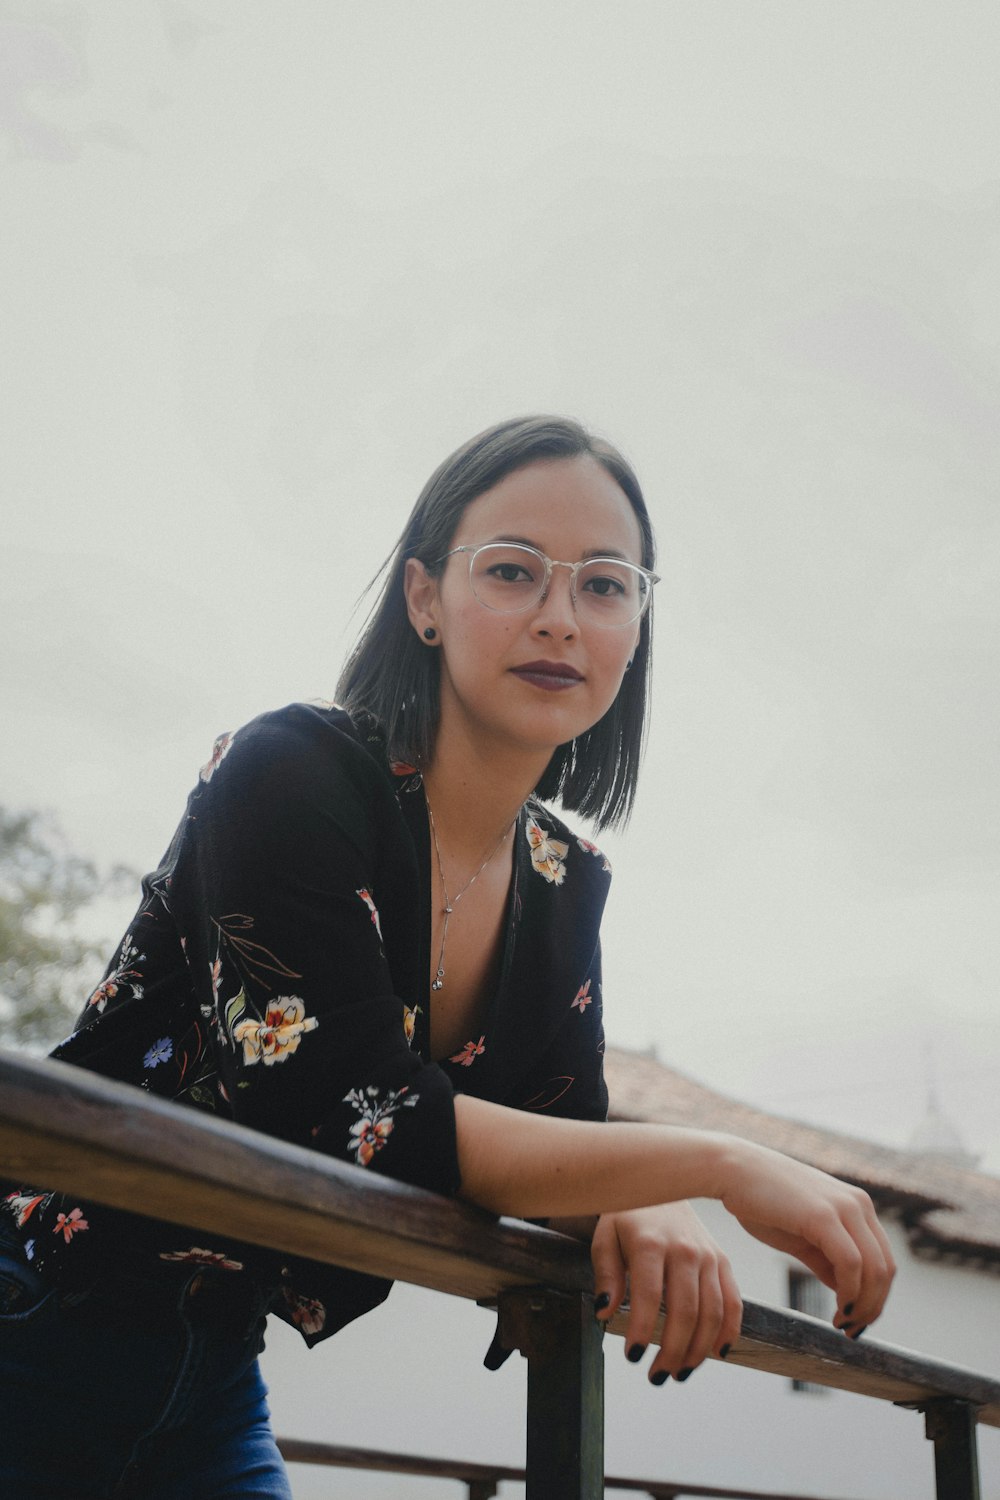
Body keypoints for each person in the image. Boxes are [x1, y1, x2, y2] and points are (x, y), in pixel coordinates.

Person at [0, 416, 895, 1498]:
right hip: (34, 1312)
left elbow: (551, 1139)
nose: (560, 618)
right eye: (513, 571)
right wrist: (712, 1162)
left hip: (213, 1369)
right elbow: (353, 1117)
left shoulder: (566, 879)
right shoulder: (291, 774)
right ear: (423, 598)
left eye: (606, 586)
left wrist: (627, 1200)